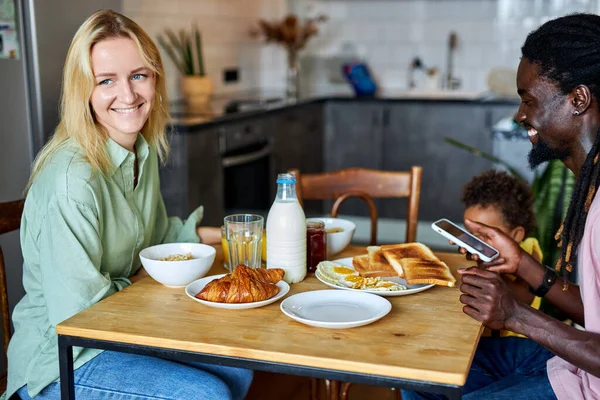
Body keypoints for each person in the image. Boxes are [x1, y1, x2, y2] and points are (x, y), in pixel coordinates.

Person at [4, 10, 251, 400]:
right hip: (63, 362)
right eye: (106, 81)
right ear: (82, 90)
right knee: (206, 394)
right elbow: (79, 313)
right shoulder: (72, 179)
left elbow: (155, 238)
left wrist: (236, 236)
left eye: (138, 75)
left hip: (118, 330)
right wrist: (136, 281)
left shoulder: (139, 149)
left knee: (236, 368)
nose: (129, 95)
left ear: (155, 79)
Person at [404, 12, 600, 400]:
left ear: (578, 99)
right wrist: (521, 264)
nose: (521, 116)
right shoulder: (592, 185)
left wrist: (516, 315)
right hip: (576, 365)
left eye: (529, 100)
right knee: (422, 372)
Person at [461, 169, 542, 338]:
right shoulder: (482, 256)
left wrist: (489, 269)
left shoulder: (530, 252)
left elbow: (524, 297)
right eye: (471, 232)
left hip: (514, 344)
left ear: (516, 235)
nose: (476, 241)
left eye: (485, 233)